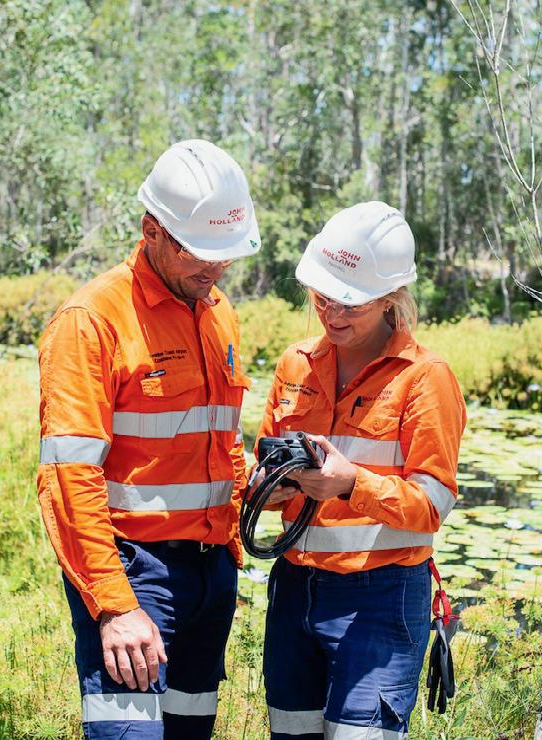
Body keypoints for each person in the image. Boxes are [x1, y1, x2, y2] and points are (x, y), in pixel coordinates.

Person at [37, 139, 259, 740]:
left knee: (190, 729)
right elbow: (69, 477)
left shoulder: (218, 310)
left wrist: (240, 528)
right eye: (199, 252)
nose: (215, 269)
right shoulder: (91, 321)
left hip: (211, 573)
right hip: (135, 572)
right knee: (129, 732)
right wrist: (114, 604)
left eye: (225, 254)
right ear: (151, 230)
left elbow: (223, 441)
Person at [255, 201, 466, 740]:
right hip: (294, 587)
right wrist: (266, 488)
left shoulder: (425, 378)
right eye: (322, 298)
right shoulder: (296, 363)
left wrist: (351, 484)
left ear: (391, 297)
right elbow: (263, 461)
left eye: (350, 304)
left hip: (381, 595)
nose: (332, 315)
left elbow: (432, 505)